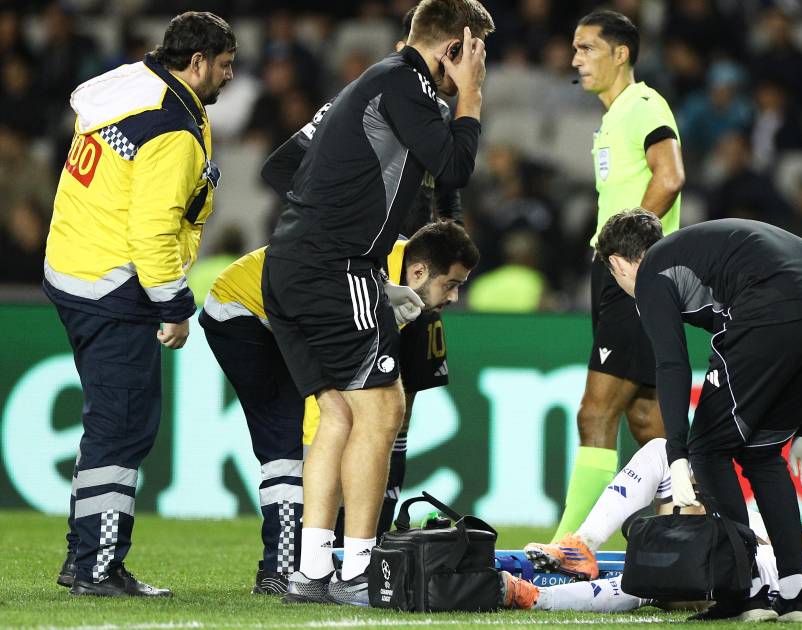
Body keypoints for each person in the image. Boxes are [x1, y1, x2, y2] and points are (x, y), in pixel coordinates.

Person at [261, 0, 492, 606]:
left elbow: (280, 167)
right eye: (475, 54)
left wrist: (342, 213)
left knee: (338, 414)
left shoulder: (368, 86)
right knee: (384, 411)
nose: (478, 68)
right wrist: (470, 94)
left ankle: (312, 570)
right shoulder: (408, 85)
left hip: (287, 263)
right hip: (335, 268)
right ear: (454, 49)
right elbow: (456, 163)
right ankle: (358, 571)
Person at [44, 11, 235, 598]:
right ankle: (98, 567)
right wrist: (173, 307)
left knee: (108, 423)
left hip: (73, 262)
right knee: (121, 428)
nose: (229, 76)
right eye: (225, 65)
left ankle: (83, 558)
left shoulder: (130, 83)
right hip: (113, 285)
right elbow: (152, 231)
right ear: (197, 61)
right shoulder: (171, 127)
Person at [594, 210, 802, 621]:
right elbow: (800, 319)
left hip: (774, 309)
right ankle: (796, 594)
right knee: (761, 454)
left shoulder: (652, 272)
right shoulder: (694, 253)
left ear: (617, 263)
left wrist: (678, 454)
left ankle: (743, 592)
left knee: (709, 450)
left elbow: (672, 365)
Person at [200, 221, 477, 594]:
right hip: (241, 314)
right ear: (418, 272)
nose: (455, 298)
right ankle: (282, 570)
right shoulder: (368, 282)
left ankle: (308, 566)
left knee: (331, 427)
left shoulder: (393, 278)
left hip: (285, 313)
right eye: (451, 284)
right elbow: (327, 405)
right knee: (288, 445)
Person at [548, 9, 685, 545]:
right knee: (649, 419)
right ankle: (685, 530)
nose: (575, 59)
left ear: (620, 53)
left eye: (586, 48)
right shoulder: (614, 117)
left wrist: (632, 247)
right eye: (574, 48)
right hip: (623, 272)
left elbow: (670, 175)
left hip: (633, 274)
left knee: (595, 414)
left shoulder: (644, 106)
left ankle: (570, 543)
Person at [507, 441, 802, 618]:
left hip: (749, 581)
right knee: (665, 457)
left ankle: (558, 573)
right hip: (731, 568)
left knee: (665, 455)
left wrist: (748, 522)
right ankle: (550, 579)